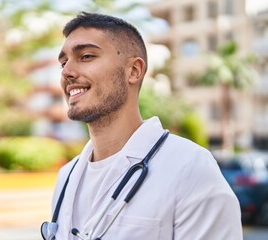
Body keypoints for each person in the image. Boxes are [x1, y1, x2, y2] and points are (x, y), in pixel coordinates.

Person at [41, 12, 242, 240]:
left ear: (134, 71)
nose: (67, 72)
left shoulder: (190, 167)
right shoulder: (67, 176)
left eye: (86, 56)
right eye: (63, 63)